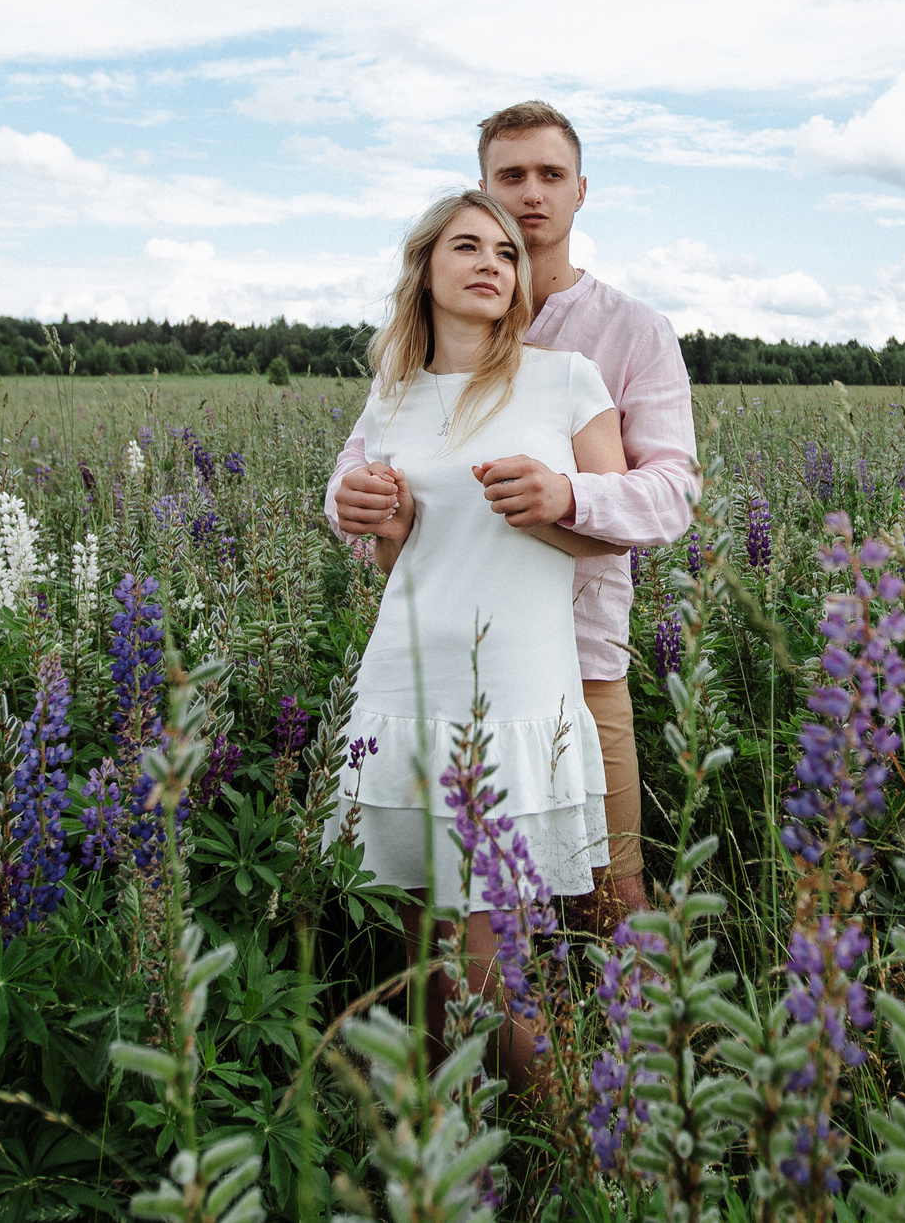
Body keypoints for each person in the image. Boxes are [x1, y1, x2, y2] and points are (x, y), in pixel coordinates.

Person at [328, 101, 698, 923]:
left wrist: (572, 495)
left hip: (582, 657)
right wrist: (347, 503)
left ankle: (632, 1049)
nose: (532, 194)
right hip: (451, 664)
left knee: (611, 888)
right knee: (447, 909)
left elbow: (674, 491)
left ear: (580, 191)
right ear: (486, 186)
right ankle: (477, 1045)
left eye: (550, 175)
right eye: (511, 176)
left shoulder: (629, 330)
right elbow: (365, 458)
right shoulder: (439, 328)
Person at [335, 186, 630, 1086]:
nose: (492, 264)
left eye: (505, 253)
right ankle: (439, 1138)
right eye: (468, 247)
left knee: (489, 970)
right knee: (422, 953)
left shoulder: (566, 378)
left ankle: (580, 1156)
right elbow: (385, 546)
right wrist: (370, 517)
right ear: (425, 269)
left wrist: (556, 499)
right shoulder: (393, 394)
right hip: (407, 684)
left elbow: (613, 525)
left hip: (514, 694)